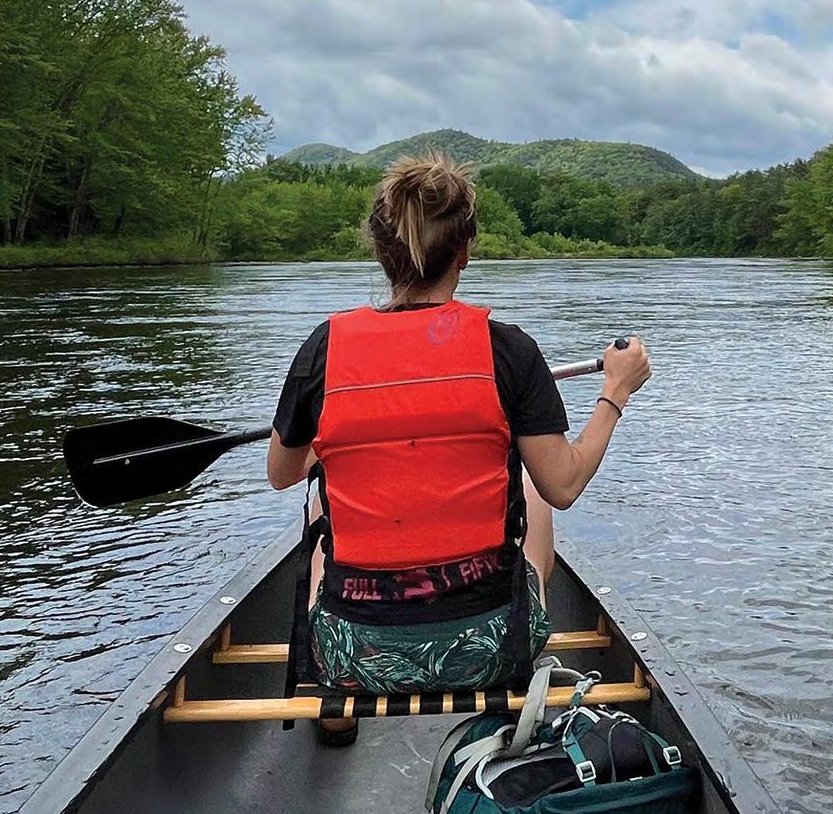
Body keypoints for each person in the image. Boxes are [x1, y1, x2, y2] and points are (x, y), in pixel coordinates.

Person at [265, 153, 650, 746]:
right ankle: (512, 701)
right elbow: (565, 484)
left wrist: (336, 443)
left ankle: (337, 708)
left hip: (353, 652)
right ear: (464, 252)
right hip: (491, 648)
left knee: (322, 504)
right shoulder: (510, 351)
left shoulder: (324, 348)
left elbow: (282, 472)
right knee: (531, 486)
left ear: (380, 252)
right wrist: (615, 392)